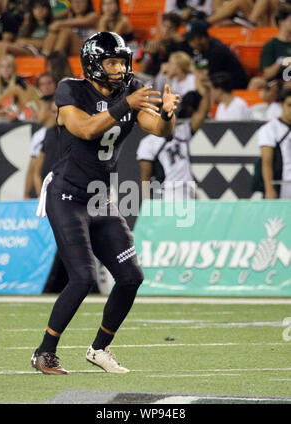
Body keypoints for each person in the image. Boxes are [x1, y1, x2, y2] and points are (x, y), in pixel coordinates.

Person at [31, 31, 179, 375]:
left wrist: (169, 115)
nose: (119, 68)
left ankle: (99, 348)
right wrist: (125, 104)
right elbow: (84, 129)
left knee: (130, 277)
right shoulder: (71, 89)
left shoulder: (128, 91)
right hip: (66, 193)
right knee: (81, 278)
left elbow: (158, 129)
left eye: (122, 61)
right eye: (111, 62)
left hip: (100, 198)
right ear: (94, 65)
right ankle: (45, 352)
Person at [137, 78, 210, 201]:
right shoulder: (148, 143)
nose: (172, 116)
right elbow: (145, 178)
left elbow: (202, 114)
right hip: (168, 193)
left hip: (189, 188)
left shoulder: (182, 131)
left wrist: (206, 91)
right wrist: (146, 204)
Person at [174, 20, 249, 89]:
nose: (190, 44)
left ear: (202, 38)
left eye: (191, 40)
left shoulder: (217, 50)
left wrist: (193, 70)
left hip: (234, 88)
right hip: (220, 85)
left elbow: (208, 78)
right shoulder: (204, 46)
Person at [258, 89, 291, 199]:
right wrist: (269, 188)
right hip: (282, 183)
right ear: (281, 105)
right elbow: (267, 162)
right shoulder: (270, 129)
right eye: (289, 105)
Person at [136, 12, 183, 78]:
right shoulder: (148, 43)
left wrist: (159, 47)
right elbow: (141, 70)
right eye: (164, 26)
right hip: (149, 78)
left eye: (170, 28)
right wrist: (148, 55)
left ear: (176, 30)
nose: (166, 30)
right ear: (160, 26)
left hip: (168, 80)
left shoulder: (178, 46)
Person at [260, 6, 291, 82]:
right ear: (281, 22)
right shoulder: (270, 45)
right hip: (278, 83)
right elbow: (267, 74)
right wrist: (280, 62)